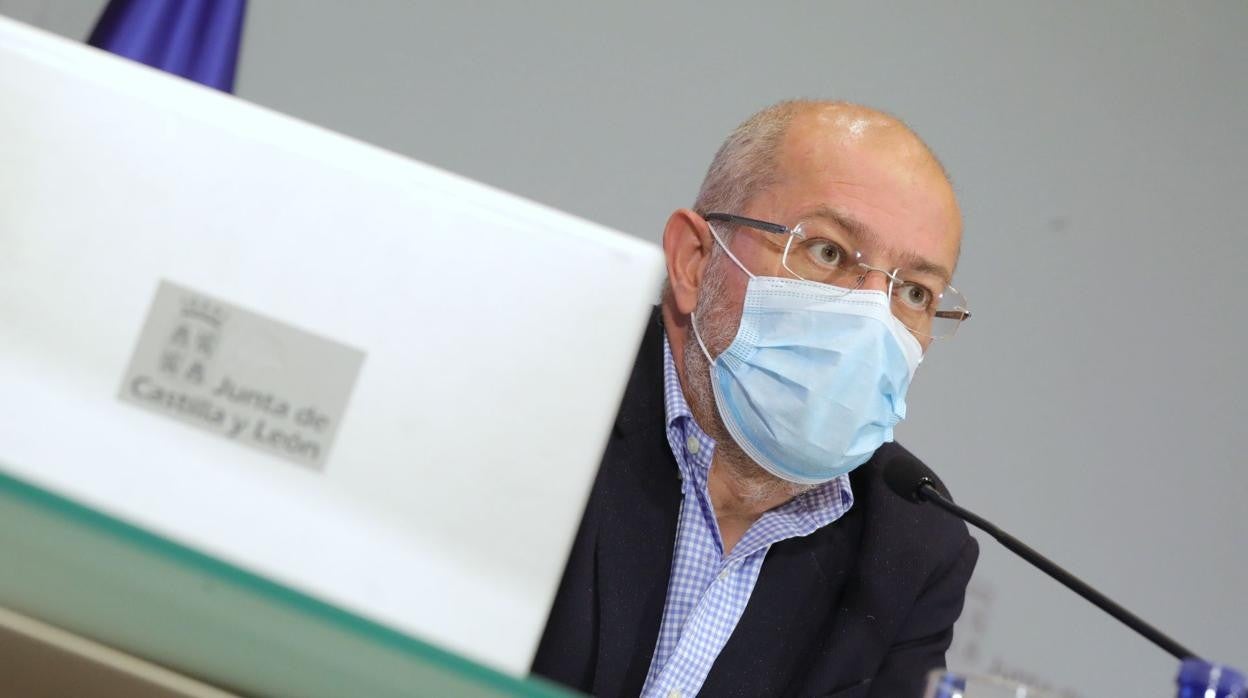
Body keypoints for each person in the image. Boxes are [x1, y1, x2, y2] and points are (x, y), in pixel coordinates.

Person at [532, 99, 978, 698]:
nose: (871, 314)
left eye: (916, 293)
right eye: (827, 252)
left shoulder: (912, 546)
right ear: (694, 261)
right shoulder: (544, 389)